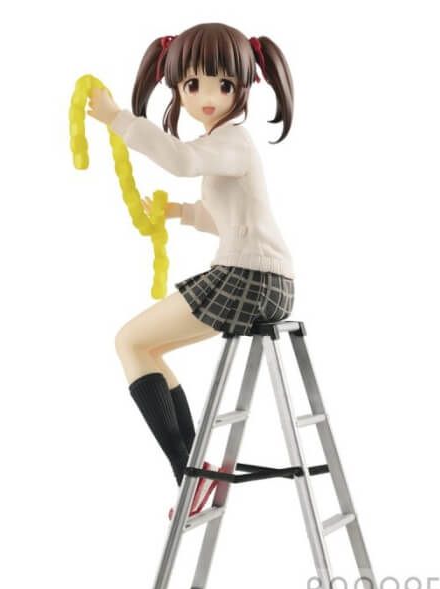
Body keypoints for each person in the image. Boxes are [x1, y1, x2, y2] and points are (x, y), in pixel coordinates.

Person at [87, 22, 296, 516]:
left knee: (130, 342)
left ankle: (189, 473)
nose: (207, 98)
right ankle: (193, 470)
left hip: (250, 280)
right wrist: (179, 212)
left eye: (223, 85)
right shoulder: (225, 144)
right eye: (193, 85)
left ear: (243, 87)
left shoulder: (233, 140)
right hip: (260, 277)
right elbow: (229, 218)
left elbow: (181, 161)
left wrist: (117, 119)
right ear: (178, 88)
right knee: (146, 347)